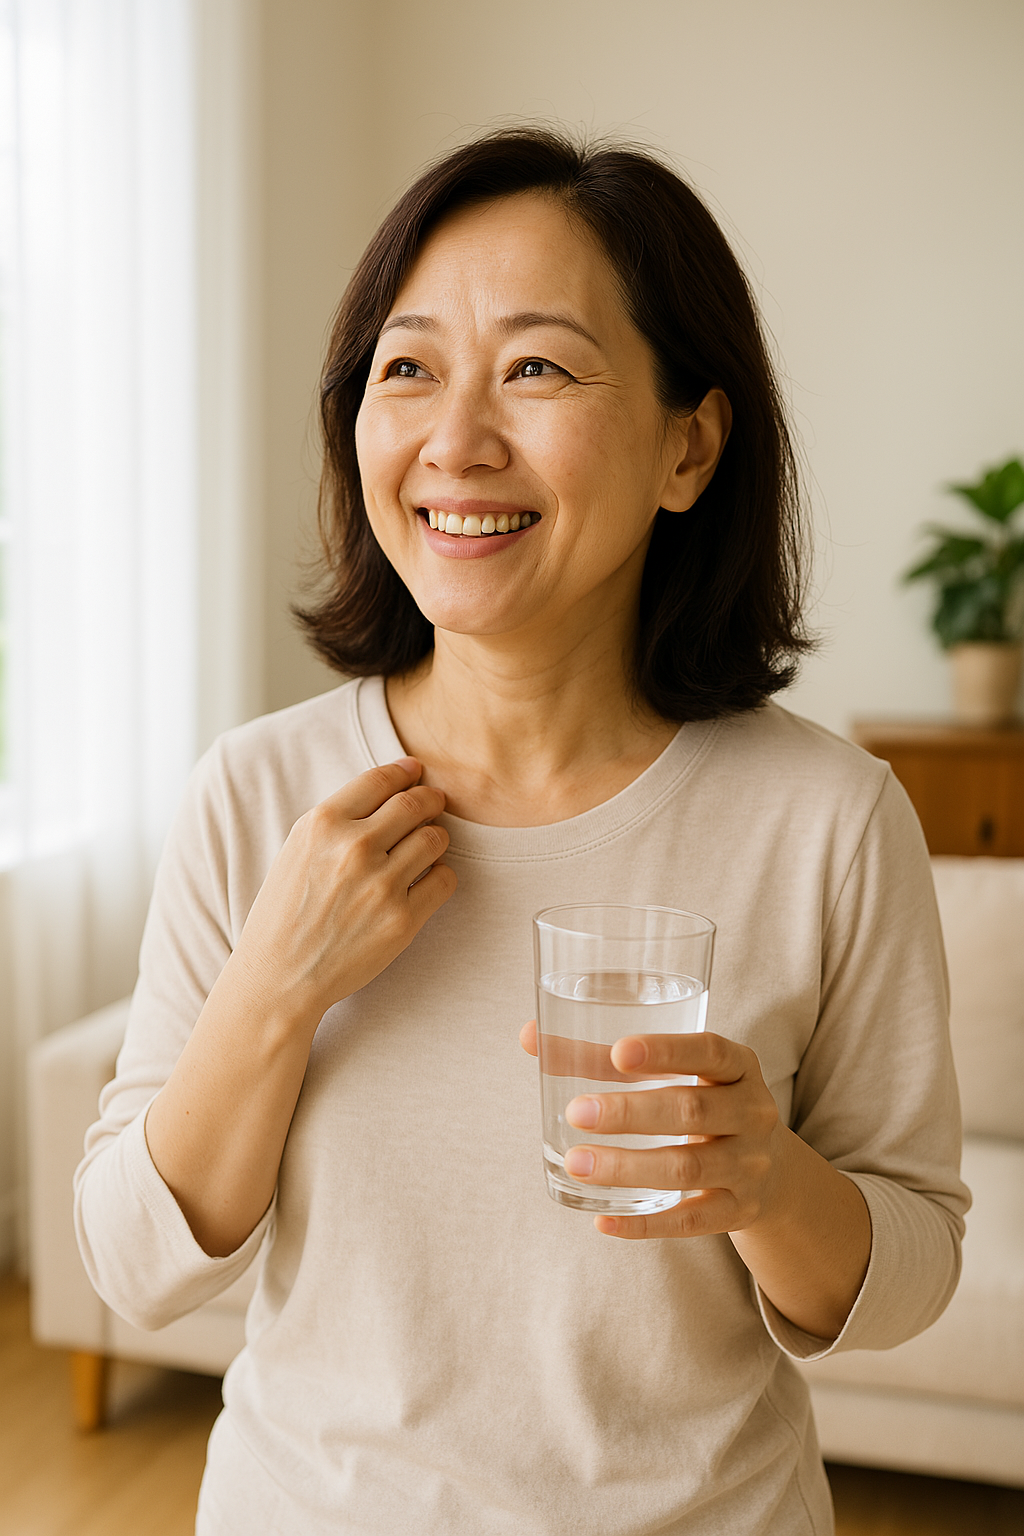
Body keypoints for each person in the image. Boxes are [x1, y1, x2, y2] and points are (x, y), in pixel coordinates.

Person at [75, 128, 968, 1536]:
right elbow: (133, 1265)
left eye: (538, 367)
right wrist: (279, 980)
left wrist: (768, 1179)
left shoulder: (827, 819)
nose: (456, 441)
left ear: (691, 444)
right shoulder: (259, 793)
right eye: (409, 368)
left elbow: (913, 1265)